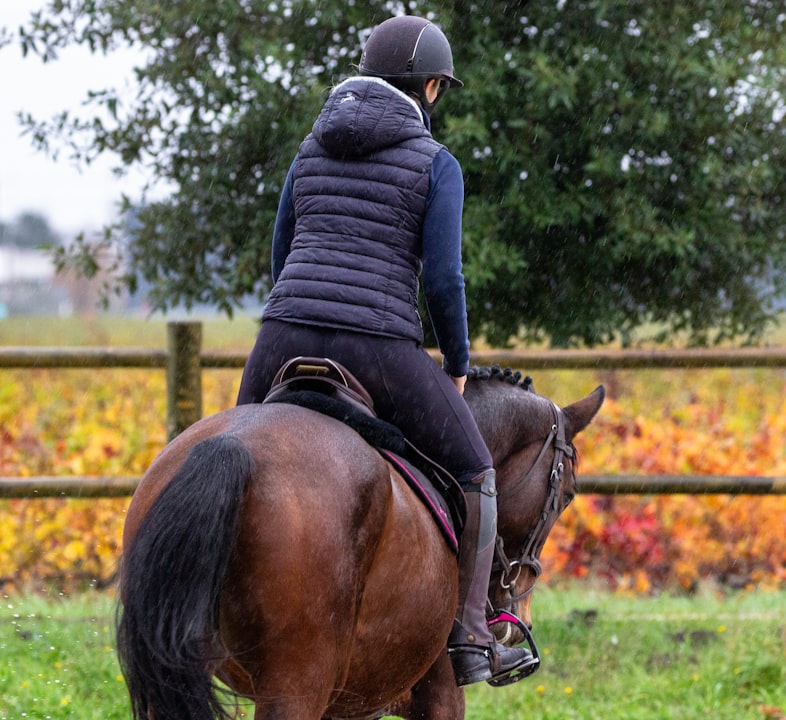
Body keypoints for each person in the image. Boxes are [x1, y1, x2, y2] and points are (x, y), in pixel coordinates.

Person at [235, 15, 536, 687]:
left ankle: (205, 612)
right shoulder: (435, 162)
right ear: (430, 86)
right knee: (476, 469)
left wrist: (300, 311)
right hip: (375, 344)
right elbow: (443, 279)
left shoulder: (310, 149)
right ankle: (470, 638)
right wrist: (456, 363)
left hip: (282, 331)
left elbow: (282, 250)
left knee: (229, 454)